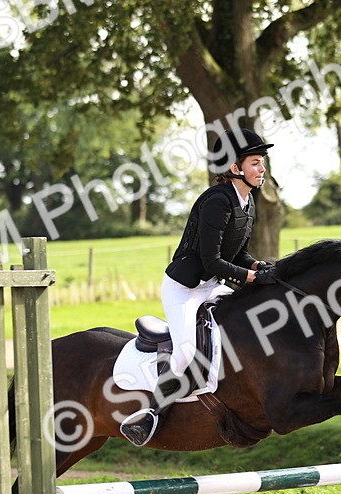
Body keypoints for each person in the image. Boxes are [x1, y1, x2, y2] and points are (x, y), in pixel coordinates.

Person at [119, 127, 280, 447]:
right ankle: (151, 414)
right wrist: (250, 278)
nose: (262, 168)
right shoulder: (216, 202)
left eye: (262, 161)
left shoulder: (248, 201)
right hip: (185, 289)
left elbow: (238, 253)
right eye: (255, 162)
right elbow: (212, 261)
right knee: (186, 353)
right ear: (235, 168)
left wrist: (257, 266)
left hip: (212, 285)